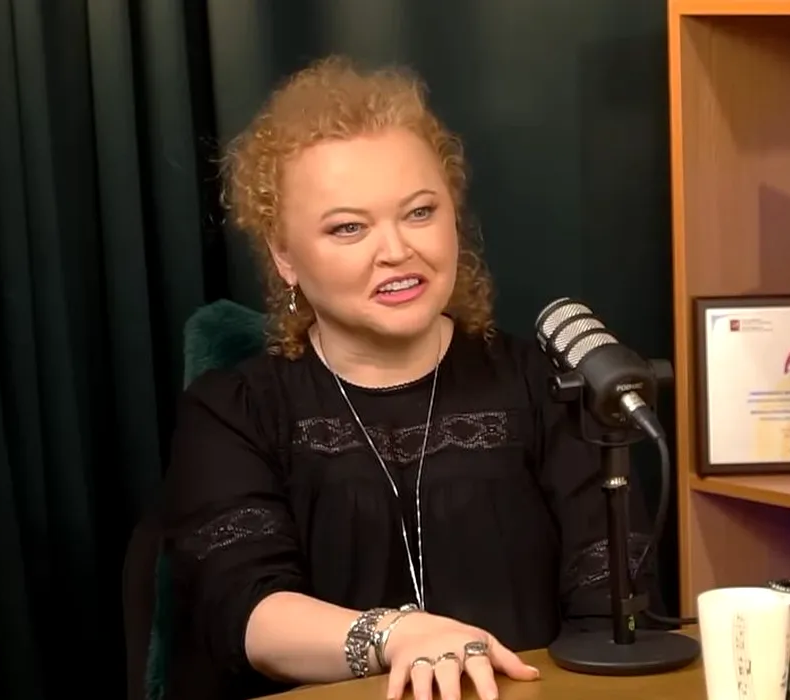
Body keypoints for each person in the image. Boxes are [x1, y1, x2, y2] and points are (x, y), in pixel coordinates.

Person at [159, 55, 662, 700]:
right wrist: (397, 636)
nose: (397, 251)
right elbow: (247, 613)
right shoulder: (232, 410)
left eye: (420, 212)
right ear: (285, 256)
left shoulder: (552, 387)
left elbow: (612, 611)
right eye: (349, 227)